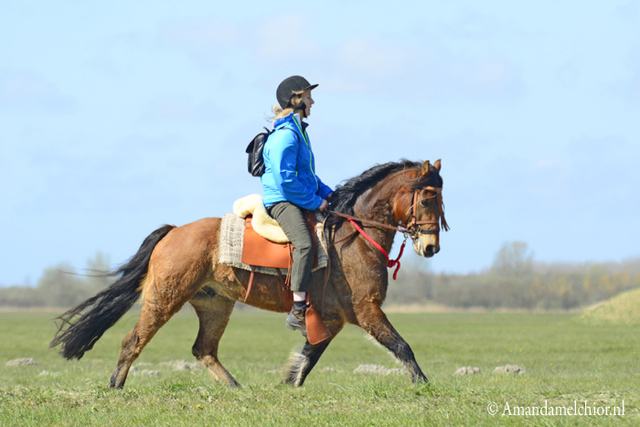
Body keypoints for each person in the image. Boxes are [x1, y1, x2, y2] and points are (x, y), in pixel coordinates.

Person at [261, 76, 333, 337]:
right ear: (296, 100)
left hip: (296, 195)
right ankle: (299, 308)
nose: (312, 101)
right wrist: (316, 202)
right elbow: (287, 182)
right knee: (304, 244)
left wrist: (331, 195)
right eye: (308, 96)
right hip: (282, 200)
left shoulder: (300, 132)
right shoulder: (286, 137)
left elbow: (308, 177)